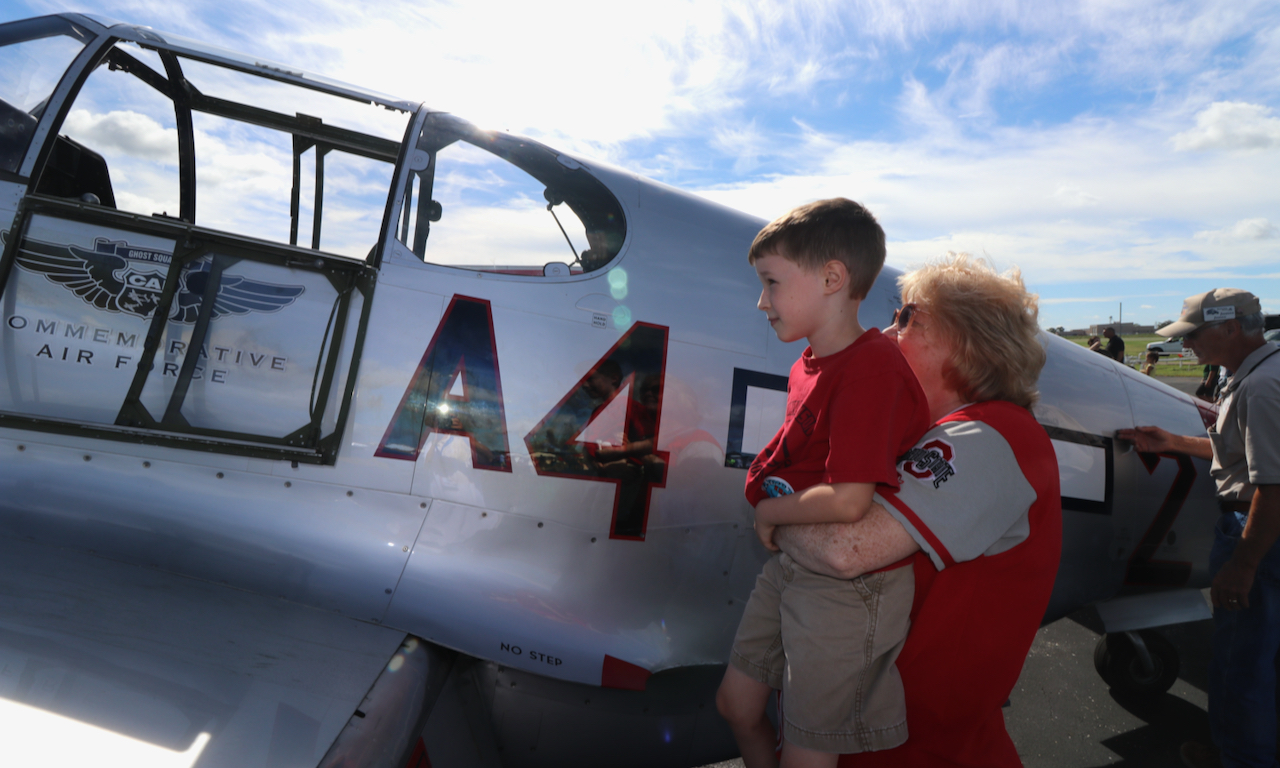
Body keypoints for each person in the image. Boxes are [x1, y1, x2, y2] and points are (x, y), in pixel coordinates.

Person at [771, 253, 1062, 767]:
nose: (887, 332)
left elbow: (845, 550)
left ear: (969, 339)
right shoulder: (930, 432)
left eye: (908, 317)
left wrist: (770, 513)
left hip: (918, 750)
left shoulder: (992, 431)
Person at [716, 198, 930, 768]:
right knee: (736, 704)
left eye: (771, 282)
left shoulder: (871, 367)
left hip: (845, 591)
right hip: (796, 561)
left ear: (833, 278)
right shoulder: (806, 364)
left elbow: (850, 499)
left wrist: (769, 513)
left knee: (807, 750)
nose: (761, 301)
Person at [1117, 289, 1280, 768]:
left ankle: (1240, 758)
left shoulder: (1260, 386)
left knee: (1242, 661)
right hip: (1262, 530)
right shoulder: (1258, 373)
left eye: (1193, 335)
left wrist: (1243, 565)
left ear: (1230, 328)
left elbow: (1273, 486)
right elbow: (1240, 451)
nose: (1186, 345)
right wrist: (1173, 441)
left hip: (1257, 534)